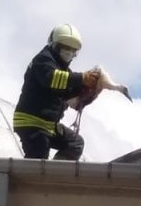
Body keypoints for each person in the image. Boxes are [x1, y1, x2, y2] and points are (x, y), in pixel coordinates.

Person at [13, 24, 100, 161]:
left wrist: (85, 89)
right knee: (38, 155)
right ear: (54, 45)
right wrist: (82, 78)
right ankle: (39, 179)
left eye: (72, 50)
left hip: (48, 125)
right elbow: (52, 78)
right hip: (32, 123)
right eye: (65, 47)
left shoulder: (62, 70)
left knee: (75, 143)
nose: (69, 52)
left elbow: (66, 91)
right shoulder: (42, 60)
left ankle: (55, 174)